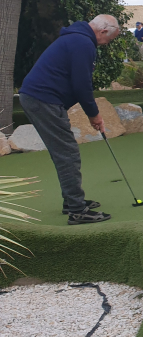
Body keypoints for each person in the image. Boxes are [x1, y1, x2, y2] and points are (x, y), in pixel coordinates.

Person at [19, 15, 120, 225]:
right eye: (109, 39)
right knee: (67, 153)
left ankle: (71, 201)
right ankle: (77, 210)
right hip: (43, 99)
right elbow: (82, 85)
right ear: (102, 31)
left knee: (64, 152)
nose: (107, 43)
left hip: (40, 98)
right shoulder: (83, 43)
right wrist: (94, 114)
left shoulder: (77, 38)